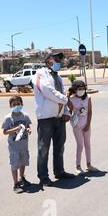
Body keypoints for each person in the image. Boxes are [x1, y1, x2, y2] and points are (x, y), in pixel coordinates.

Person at [32, 52, 75, 187]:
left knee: (59, 146)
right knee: (43, 149)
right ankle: (43, 177)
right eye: (55, 60)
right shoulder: (39, 74)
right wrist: (66, 100)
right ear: (47, 62)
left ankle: (59, 171)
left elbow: (62, 94)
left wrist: (66, 112)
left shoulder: (58, 77)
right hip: (46, 118)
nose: (58, 62)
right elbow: (47, 91)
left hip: (59, 117)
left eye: (59, 60)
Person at [2, 96, 32, 194]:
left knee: (23, 162)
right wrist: (15, 129)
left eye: (18, 104)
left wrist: (28, 129)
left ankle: (22, 178)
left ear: (22, 104)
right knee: (15, 164)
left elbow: (28, 126)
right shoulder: (8, 118)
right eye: (14, 105)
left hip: (24, 145)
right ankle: (15, 184)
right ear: (10, 106)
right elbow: (5, 132)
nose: (16, 106)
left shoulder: (25, 116)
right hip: (14, 147)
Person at [68, 80, 99, 175]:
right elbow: (69, 112)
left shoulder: (88, 98)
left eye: (83, 89)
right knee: (80, 145)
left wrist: (88, 124)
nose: (81, 91)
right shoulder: (72, 99)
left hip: (86, 125)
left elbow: (90, 111)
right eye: (79, 89)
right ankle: (78, 166)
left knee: (87, 145)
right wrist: (68, 98)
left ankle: (89, 164)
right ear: (74, 90)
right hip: (77, 125)